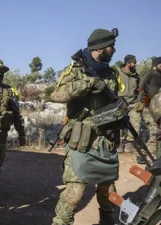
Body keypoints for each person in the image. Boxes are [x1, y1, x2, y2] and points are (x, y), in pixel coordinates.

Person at [50, 28, 121, 225]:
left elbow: (115, 101)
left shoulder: (111, 74)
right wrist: (88, 84)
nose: (114, 50)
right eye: (111, 46)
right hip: (81, 139)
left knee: (108, 189)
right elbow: (56, 95)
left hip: (105, 140)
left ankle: (108, 220)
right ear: (99, 48)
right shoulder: (76, 70)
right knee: (75, 191)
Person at [0, 59, 26, 207]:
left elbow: (16, 114)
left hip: (0, 135)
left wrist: (21, 134)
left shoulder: (9, 91)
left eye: (2, 72)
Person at [136, 57, 161, 163]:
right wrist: (144, 100)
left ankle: (144, 155)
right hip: (148, 107)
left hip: (156, 107)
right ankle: (149, 157)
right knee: (155, 132)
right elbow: (141, 86)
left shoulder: (159, 75)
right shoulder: (151, 74)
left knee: (155, 132)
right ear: (156, 65)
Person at [117, 54, 140, 153]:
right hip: (120, 103)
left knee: (135, 123)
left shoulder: (136, 76)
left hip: (133, 103)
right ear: (128, 63)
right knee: (120, 124)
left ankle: (130, 143)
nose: (135, 64)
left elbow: (140, 89)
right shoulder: (118, 73)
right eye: (134, 62)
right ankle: (120, 143)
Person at [145, 57, 161, 159]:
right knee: (154, 135)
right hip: (151, 110)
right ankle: (151, 162)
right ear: (155, 66)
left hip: (157, 110)